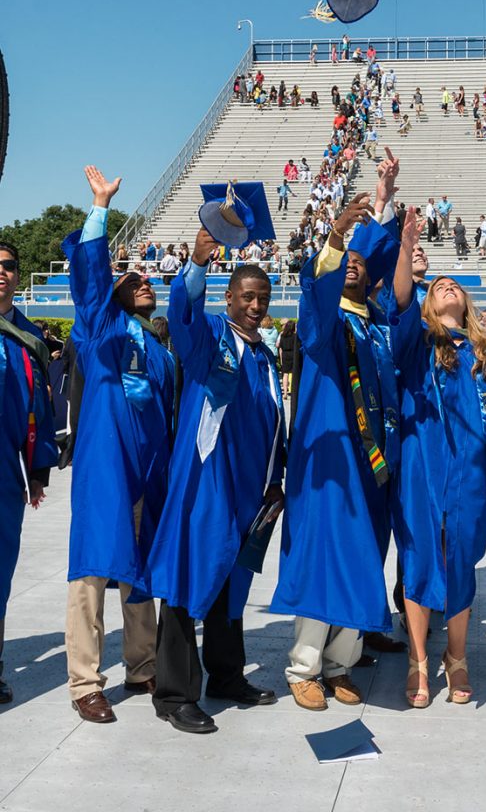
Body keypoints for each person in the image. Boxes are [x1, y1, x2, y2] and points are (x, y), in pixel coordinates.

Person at [271, 157, 402, 712]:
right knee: (325, 555)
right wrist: (338, 232)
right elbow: (315, 285)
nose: (350, 265)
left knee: (363, 557)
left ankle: (340, 662)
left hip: (373, 463)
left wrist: (385, 199)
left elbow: (392, 269)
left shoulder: (376, 323)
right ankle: (303, 666)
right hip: (329, 456)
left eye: (357, 261)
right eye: (342, 261)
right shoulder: (323, 322)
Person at [142, 226, 284, 733]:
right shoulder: (210, 341)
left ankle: (226, 675)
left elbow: (271, 424)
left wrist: (275, 479)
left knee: (231, 581)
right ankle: (175, 694)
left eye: (263, 298)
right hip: (205, 486)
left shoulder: (265, 356)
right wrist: (198, 264)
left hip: (248, 492)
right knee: (188, 578)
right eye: (247, 296)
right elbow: (182, 313)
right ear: (229, 297)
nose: (256, 306)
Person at [60, 167, 176, 722]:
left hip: (147, 470)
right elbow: (89, 279)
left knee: (140, 568)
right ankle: (85, 681)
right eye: (132, 279)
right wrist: (101, 209)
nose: (144, 280)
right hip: (105, 467)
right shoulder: (97, 329)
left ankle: (142, 665)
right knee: (92, 568)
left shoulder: (158, 348)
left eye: (148, 278)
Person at [390, 231, 486, 707]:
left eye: (453, 285)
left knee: (462, 558)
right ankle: (418, 660)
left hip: (471, 471)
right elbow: (402, 298)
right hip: (422, 466)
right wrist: (405, 249)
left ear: (465, 301)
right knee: (419, 557)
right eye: (437, 285)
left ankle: (457, 656)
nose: (446, 287)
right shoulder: (416, 343)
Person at [0, 235, 59, 705]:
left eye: (9, 266)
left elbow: (40, 406)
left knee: (0, 573)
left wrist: (38, 470)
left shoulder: (30, 339)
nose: (1, 272)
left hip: (3, 475)